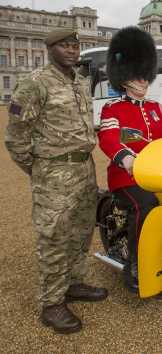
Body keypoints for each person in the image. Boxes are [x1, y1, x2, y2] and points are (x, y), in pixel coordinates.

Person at [4, 28, 108, 334]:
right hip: (53, 175)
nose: (72, 51)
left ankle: (73, 283)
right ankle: (51, 304)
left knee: (81, 231)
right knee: (53, 238)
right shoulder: (35, 83)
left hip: (84, 170)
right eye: (64, 46)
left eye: (75, 46)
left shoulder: (79, 81)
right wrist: (39, 170)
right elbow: (15, 138)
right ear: (50, 49)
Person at [97, 26, 162, 294]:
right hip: (126, 175)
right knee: (146, 203)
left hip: (159, 173)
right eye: (136, 75)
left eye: (144, 75)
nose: (142, 80)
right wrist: (126, 159)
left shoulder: (156, 108)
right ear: (124, 78)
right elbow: (108, 137)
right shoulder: (113, 108)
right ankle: (136, 261)